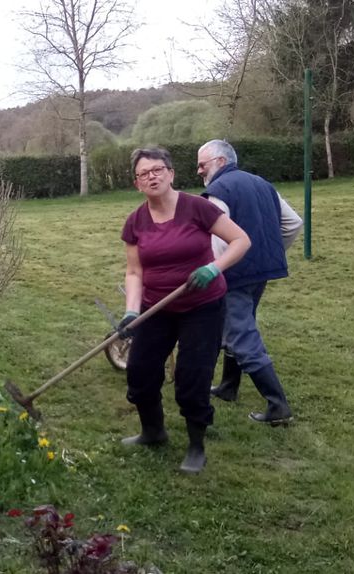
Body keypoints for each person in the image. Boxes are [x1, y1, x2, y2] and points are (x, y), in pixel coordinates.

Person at [117, 147, 250, 474]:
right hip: (156, 307)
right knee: (140, 370)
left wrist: (214, 269)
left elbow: (241, 241)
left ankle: (196, 445)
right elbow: (134, 272)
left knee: (192, 376)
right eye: (144, 173)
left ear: (172, 173)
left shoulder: (197, 207)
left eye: (158, 169)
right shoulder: (135, 222)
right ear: (137, 183)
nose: (152, 175)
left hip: (202, 306)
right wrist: (132, 311)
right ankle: (153, 431)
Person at [197, 139, 302, 425]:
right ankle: (229, 387)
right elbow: (293, 223)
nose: (198, 170)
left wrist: (214, 271)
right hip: (261, 272)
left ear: (220, 161)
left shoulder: (218, 191)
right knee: (238, 325)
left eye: (202, 164)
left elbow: (216, 241)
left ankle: (278, 406)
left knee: (242, 334)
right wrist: (269, 252)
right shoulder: (262, 183)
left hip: (233, 274)